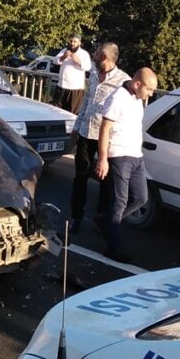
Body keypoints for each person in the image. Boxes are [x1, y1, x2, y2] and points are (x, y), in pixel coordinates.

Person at [95, 67, 158, 262]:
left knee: (140, 198)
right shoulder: (117, 98)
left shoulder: (138, 99)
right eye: (149, 89)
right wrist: (103, 159)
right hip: (119, 156)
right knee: (119, 201)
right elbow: (105, 129)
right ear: (138, 83)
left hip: (136, 156)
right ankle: (114, 248)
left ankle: (106, 220)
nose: (151, 94)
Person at [70, 42, 130, 232]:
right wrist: (76, 127)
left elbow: (127, 113)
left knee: (105, 182)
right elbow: (87, 101)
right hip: (86, 133)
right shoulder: (94, 74)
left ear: (104, 57)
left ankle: (100, 220)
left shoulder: (123, 81)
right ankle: (76, 217)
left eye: (96, 54)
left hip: (107, 138)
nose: (93, 57)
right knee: (80, 177)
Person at [53, 34, 92, 115]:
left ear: (79, 43)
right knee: (56, 112)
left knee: (71, 113)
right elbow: (55, 60)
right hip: (61, 87)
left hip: (75, 89)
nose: (72, 43)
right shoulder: (64, 51)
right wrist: (63, 57)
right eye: (71, 41)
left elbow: (88, 67)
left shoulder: (84, 53)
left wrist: (78, 61)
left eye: (75, 41)